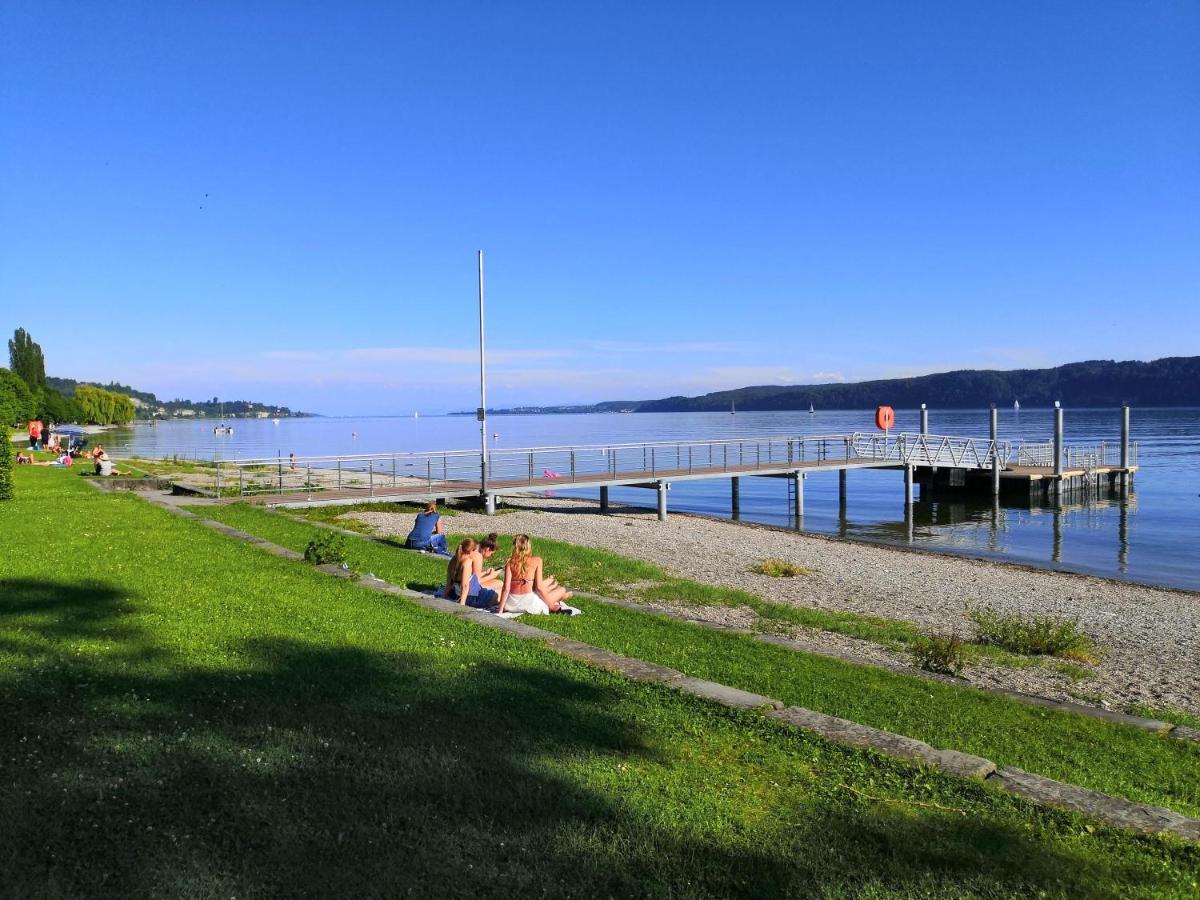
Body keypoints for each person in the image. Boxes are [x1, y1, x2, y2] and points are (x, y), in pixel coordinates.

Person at [497, 534, 572, 615]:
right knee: (561, 590)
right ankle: (562, 597)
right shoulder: (537, 561)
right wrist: (552, 606)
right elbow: (539, 587)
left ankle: (562, 597)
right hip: (529, 604)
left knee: (546, 593)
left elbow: (506, 589)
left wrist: (501, 609)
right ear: (529, 546)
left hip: (511, 605)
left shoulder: (510, 563)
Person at [445, 538, 499, 609]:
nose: (476, 553)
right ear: (471, 551)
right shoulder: (467, 563)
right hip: (471, 597)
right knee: (500, 593)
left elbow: (449, 582)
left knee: (498, 587)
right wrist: (462, 605)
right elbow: (466, 585)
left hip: (454, 593)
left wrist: (444, 596)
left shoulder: (454, 559)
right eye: (475, 550)